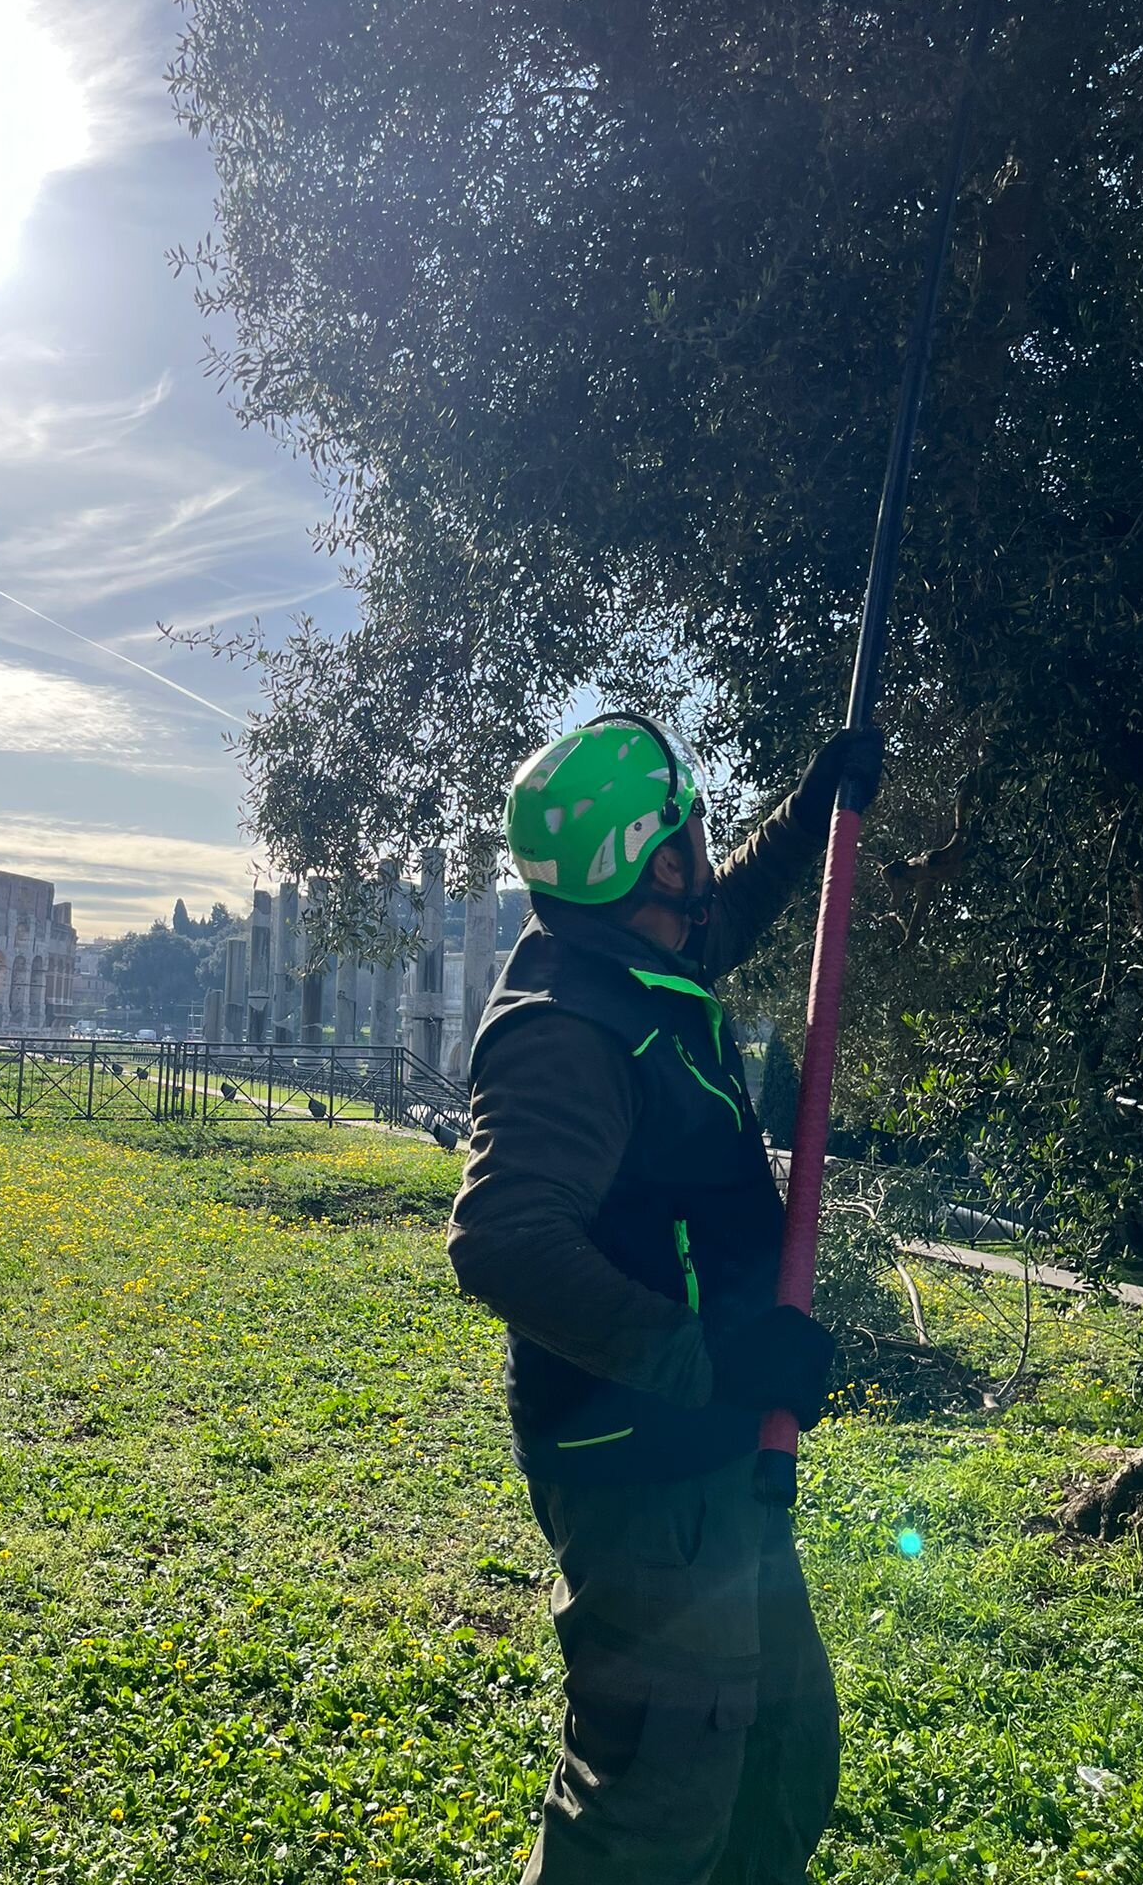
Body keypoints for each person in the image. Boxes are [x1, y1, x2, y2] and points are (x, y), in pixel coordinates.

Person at [447, 713, 883, 1885]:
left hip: (709, 1455)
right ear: (646, 864)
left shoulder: (633, 950)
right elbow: (501, 1240)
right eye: (685, 835)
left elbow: (724, 911)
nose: (701, 849)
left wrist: (812, 806)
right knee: (652, 1806)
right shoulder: (564, 1030)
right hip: (642, 1467)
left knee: (780, 1755)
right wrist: (715, 1363)